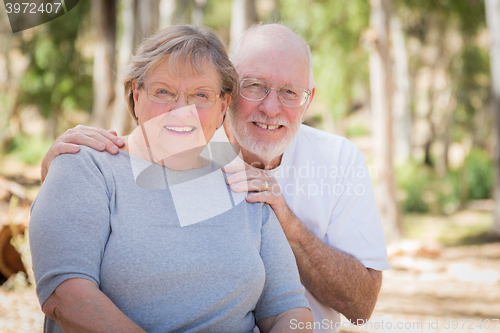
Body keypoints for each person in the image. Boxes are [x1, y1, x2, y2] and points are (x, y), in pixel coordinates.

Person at [41, 23, 391, 332]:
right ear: (233, 96)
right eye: (254, 86)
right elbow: (65, 288)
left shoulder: (331, 160)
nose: (271, 108)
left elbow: (327, 308)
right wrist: (56, 171)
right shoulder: (107, 162)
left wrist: (287, 219)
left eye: (289, 92)